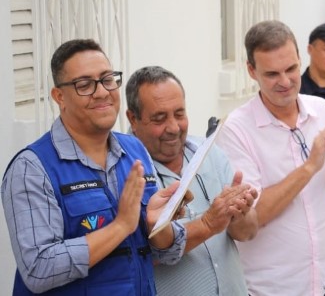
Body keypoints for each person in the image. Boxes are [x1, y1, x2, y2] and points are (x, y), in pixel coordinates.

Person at [1, 39, 189, 295]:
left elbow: (170, 252)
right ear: (59, 97)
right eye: (84, 85)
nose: (101, 92)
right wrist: (121, 226)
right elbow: (38, 268)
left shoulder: (134, 150)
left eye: (107, 79)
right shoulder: (32, 168)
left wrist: (158, 225)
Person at [216, 20, 325, 296]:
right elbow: (252, 217)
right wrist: (309, 168)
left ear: (301, 58)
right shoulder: (236, 130)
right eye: (272, 74)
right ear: (251, 71)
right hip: (272, 288)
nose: (286, 81)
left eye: (291, 69)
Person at [125, 66, 258, 295]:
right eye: (159, 118)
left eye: (179, 114)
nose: (174, 128)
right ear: (133, 119)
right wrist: (208, 224)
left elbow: (247, 233)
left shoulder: (209, 153)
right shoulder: (125, 173)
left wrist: (240, 215)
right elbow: (136, 257)